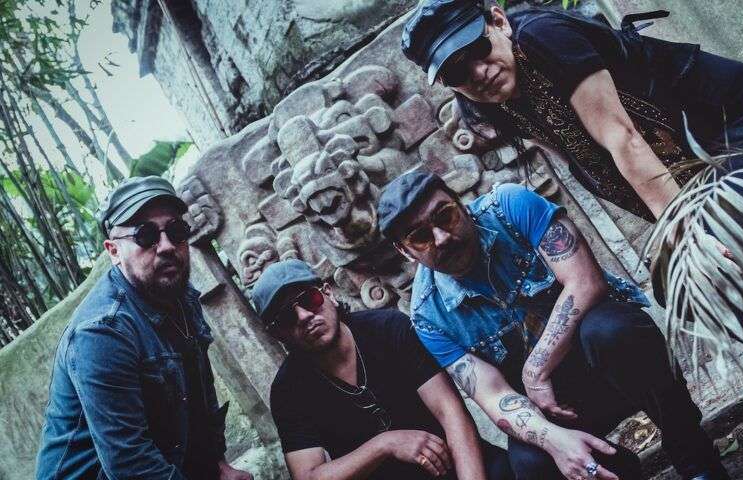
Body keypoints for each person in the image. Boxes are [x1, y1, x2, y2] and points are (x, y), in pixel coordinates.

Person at [399, 2, 743, 479]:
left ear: (498, 20)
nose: (478, 73)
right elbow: (583, 156)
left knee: (719, 275)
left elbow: (621, 138)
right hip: (689, 171)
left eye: (478, 50)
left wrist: (687, 235)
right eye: (458, 72)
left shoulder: (545, 37)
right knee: (693, 280)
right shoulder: (487, 105)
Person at [378, 171, 727, 480]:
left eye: (445, 215)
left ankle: (697, 461)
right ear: (406, 251)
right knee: (530, 464)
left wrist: (536, 369)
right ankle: (618, 470)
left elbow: (585, 281)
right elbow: (493, 395)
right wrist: (554, 440)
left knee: (613, 332)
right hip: (557, 405)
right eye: (420, 236)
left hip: (610, 359)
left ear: (461, 204)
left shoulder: (510, 206)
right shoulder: (428, 316)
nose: (441, 237)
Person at [35, 176, 252, 480]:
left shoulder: (181, 297)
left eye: (176, 231)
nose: (166, 246)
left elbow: (199, 399)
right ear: (113, 251)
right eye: (145, 235)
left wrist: (218, 466)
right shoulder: (102, 332)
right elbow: (130, 464)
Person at [250, 259, 513, 480]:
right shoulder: (289, 390)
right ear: (279, 334)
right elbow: (308, 476)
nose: (304, 316)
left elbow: (450, 412)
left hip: (458, 466)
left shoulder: (388, 328)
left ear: (328, 293)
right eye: (287, 317)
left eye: (310, 299)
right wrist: (385, 444)